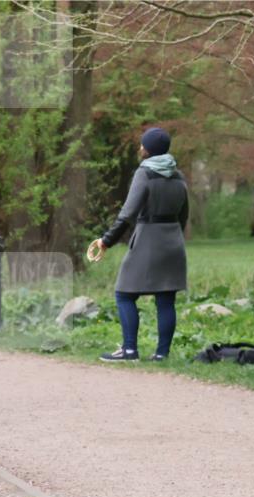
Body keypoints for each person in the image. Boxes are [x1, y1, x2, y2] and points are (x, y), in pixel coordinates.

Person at [87, 127, 189, 362]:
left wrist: (106, 240)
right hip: (174, 241)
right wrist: (174, 237)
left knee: (124, 294)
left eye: (142, 145)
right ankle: (162, 354)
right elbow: (184, 215)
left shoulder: (144, 173)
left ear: (148, 149)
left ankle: (130, 350)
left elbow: (128, 213)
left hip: (148, 240)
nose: (139, 148)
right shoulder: (178, 176)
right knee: (165, 299)